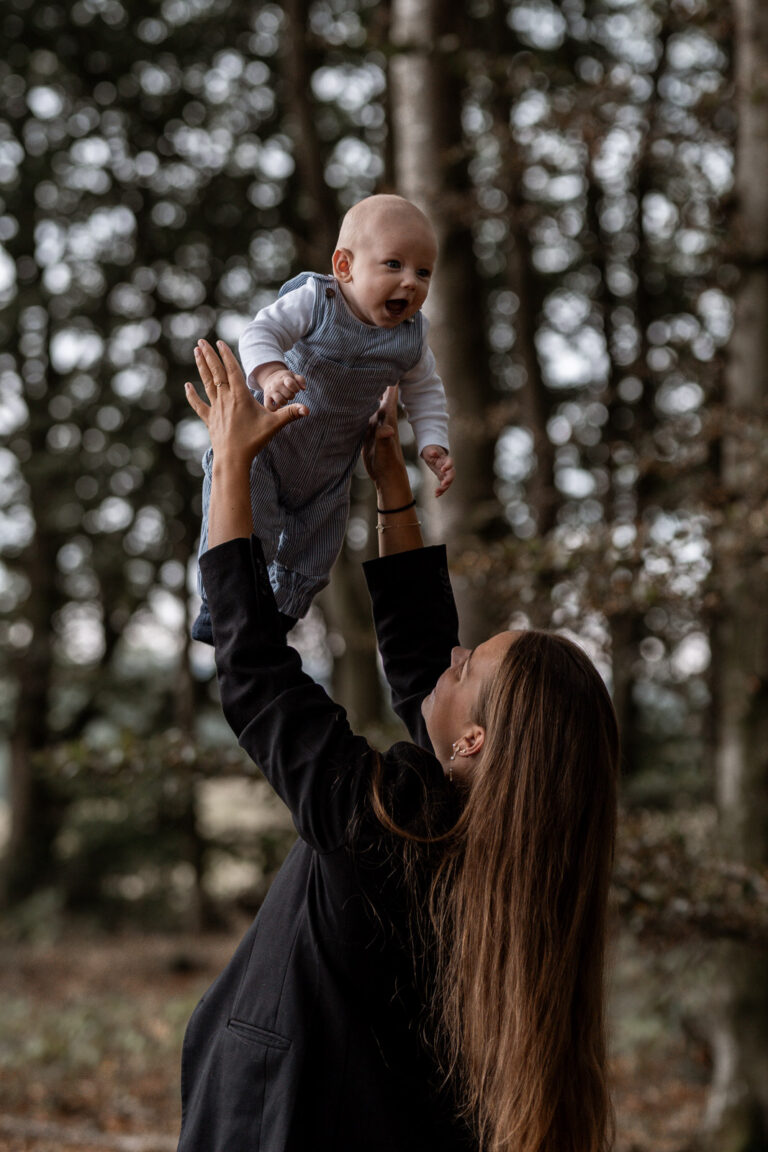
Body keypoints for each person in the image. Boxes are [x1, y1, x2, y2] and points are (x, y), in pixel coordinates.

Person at [180, 339, 619, 1152]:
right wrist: (391, 486)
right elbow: (424, 668)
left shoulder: (385, 825)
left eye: (467, 664)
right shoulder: (509, 862)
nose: (452, 654)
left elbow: (255, 673)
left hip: (276, 1120)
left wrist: (231, 468)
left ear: (476, 742)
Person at [192, 193, 455, 643]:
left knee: (317, 550)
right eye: (394, 264)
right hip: (268, 447)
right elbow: (261, 331)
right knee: (251, 524)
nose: (410, 282)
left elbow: (426, 391)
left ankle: (280, 617)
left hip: (330, 469)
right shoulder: (317, 300)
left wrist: (433, 441)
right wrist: (272, 372)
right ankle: (220, 609)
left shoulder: (411, 338)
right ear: (345, 266)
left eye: (423, 272)